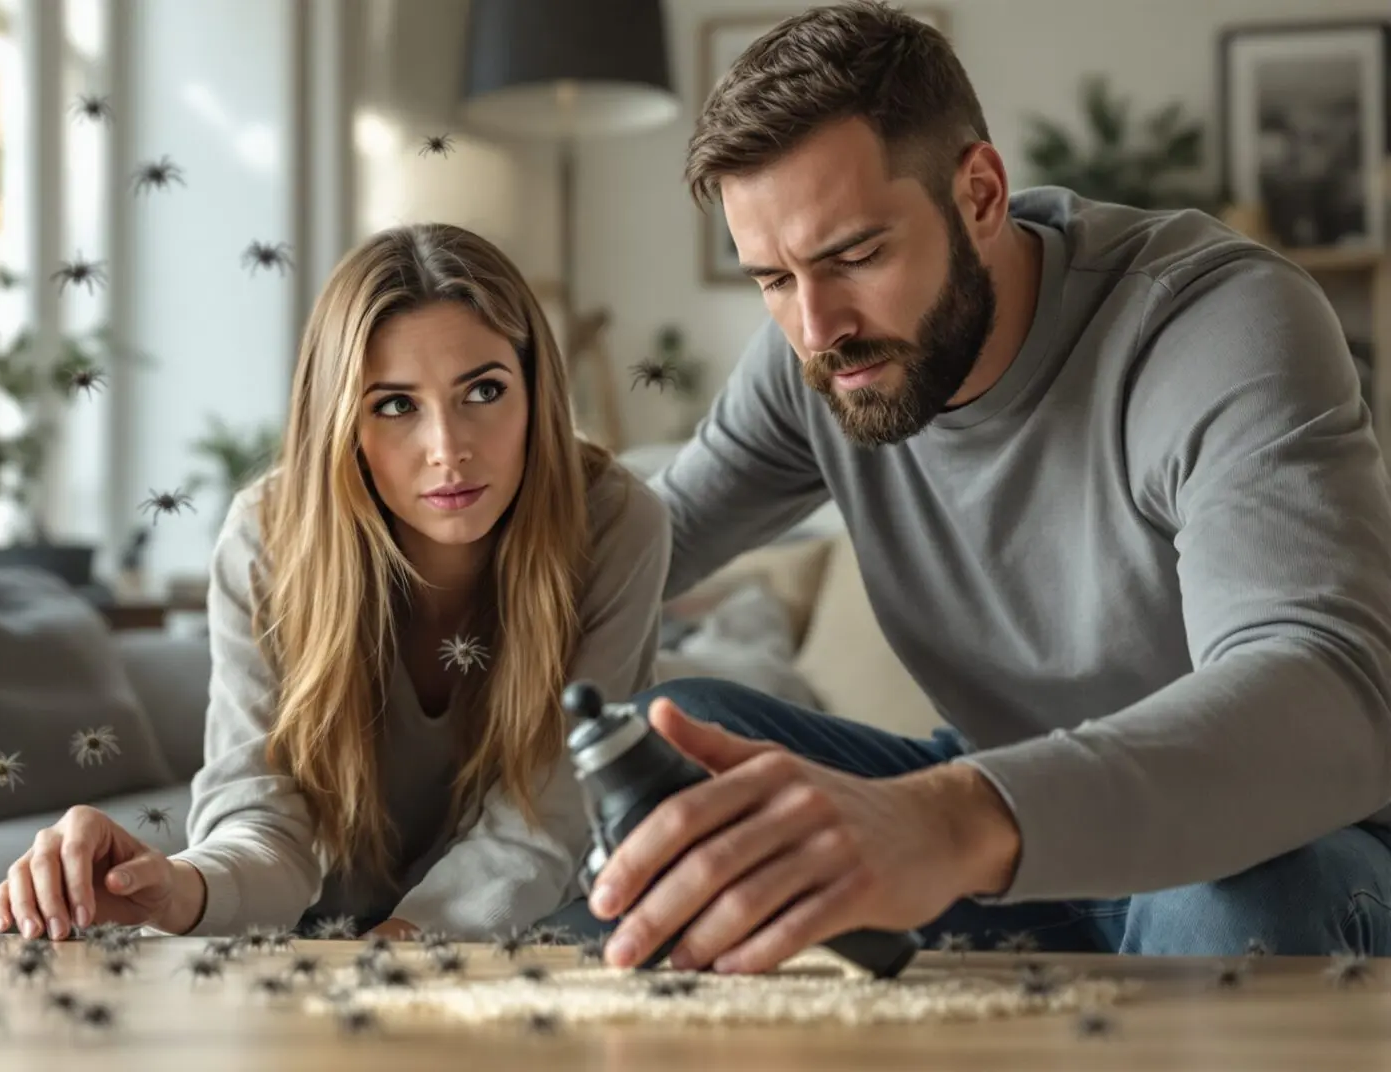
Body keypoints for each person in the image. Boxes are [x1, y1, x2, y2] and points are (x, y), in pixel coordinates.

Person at [539, 0, 1391, 974]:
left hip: (1287, 845)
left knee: (1233, 892)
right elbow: (631, 547)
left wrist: (951, 819)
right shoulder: (822, 361)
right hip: (1011, 837)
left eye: (856, 256)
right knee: (685, 745)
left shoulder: (1213, 326)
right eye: (771, 278)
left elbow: (1324, 684)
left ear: (981, 194)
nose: (816, 327)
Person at [0, 222, 671, 943]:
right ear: (341, 419)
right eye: (396, 404)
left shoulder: (616, 522)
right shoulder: (267, 536)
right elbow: (259, 818)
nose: (448, 449)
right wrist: (171, 890)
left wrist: (396, 951)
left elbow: (546, 823)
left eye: (484, 390)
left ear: (536, 392)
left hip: (521, 927)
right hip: (314, 935)